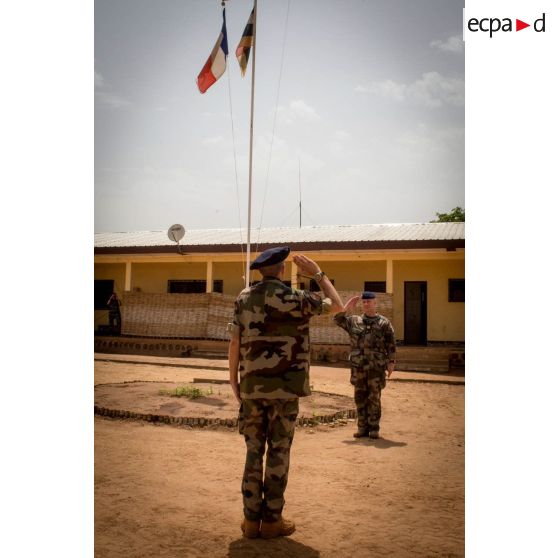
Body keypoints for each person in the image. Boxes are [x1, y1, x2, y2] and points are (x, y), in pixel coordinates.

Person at [228, 246, 343, 539]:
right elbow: (338, 306)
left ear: (261, 270)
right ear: (281, 270)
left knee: (253, 452)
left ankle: (251, 522)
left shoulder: (243, 298)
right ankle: (273, 522)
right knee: (279, 451)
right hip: (286, 389)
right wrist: (317, 273)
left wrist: (234, 382)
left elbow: (234, 342)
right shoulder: (296, 299)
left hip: (252, 388)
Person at [334, 291, 396, 439]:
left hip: (376, 367)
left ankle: (374, 428)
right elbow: (337, 320)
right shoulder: (354, 321)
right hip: (359, 367)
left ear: (375, 303)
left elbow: (391, 344)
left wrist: (391, 362)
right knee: (360, 397)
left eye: (369, 302)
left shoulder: (384, 323)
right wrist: (347, 306)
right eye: (364, 302)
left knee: (374, 398)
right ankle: (362, 428)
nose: (367, 304)